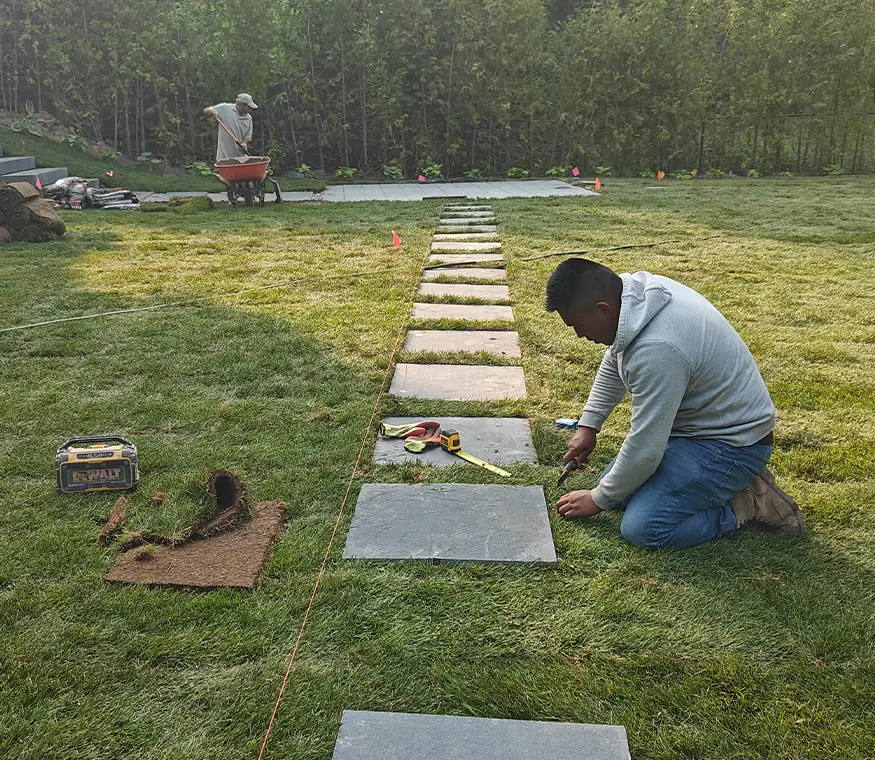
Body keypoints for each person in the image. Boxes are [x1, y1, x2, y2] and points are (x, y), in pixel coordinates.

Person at [547, 258, 806, 550]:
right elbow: (615, 355)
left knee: (642, 527)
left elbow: (646, 449)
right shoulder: (635, 295)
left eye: (578, 326)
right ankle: (718, 487)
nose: (579, 335)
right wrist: (589, 425)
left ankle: (747, 502)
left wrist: (597, 499)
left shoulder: (659, 349)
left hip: (733, 445)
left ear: (603, 309)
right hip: (698, 431)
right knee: (618, 489)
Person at [203, 94, 257, 161]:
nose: (250, 111)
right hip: (224, 157)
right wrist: (212, 112)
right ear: (242, 105)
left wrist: (244, 143)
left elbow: (248, 136)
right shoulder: (225, 108)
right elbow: (206, 110)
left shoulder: (248, 118)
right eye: (248, 108)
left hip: (240, 157)